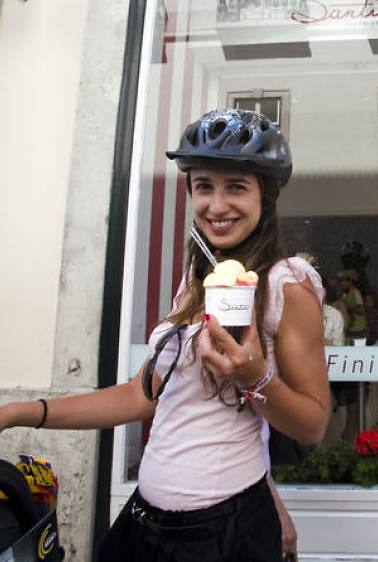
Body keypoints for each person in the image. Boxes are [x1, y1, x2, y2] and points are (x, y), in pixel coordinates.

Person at [0, 109, 330, 561]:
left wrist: (255, 378)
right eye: (203, 186)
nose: (216, 205)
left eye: (236, 186)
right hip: (143, 523)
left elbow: (313, 424)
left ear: (266, 197)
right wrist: (16, 412)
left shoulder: (286, 285)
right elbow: (143, 395)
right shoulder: (200, 279)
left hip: (221, 534)